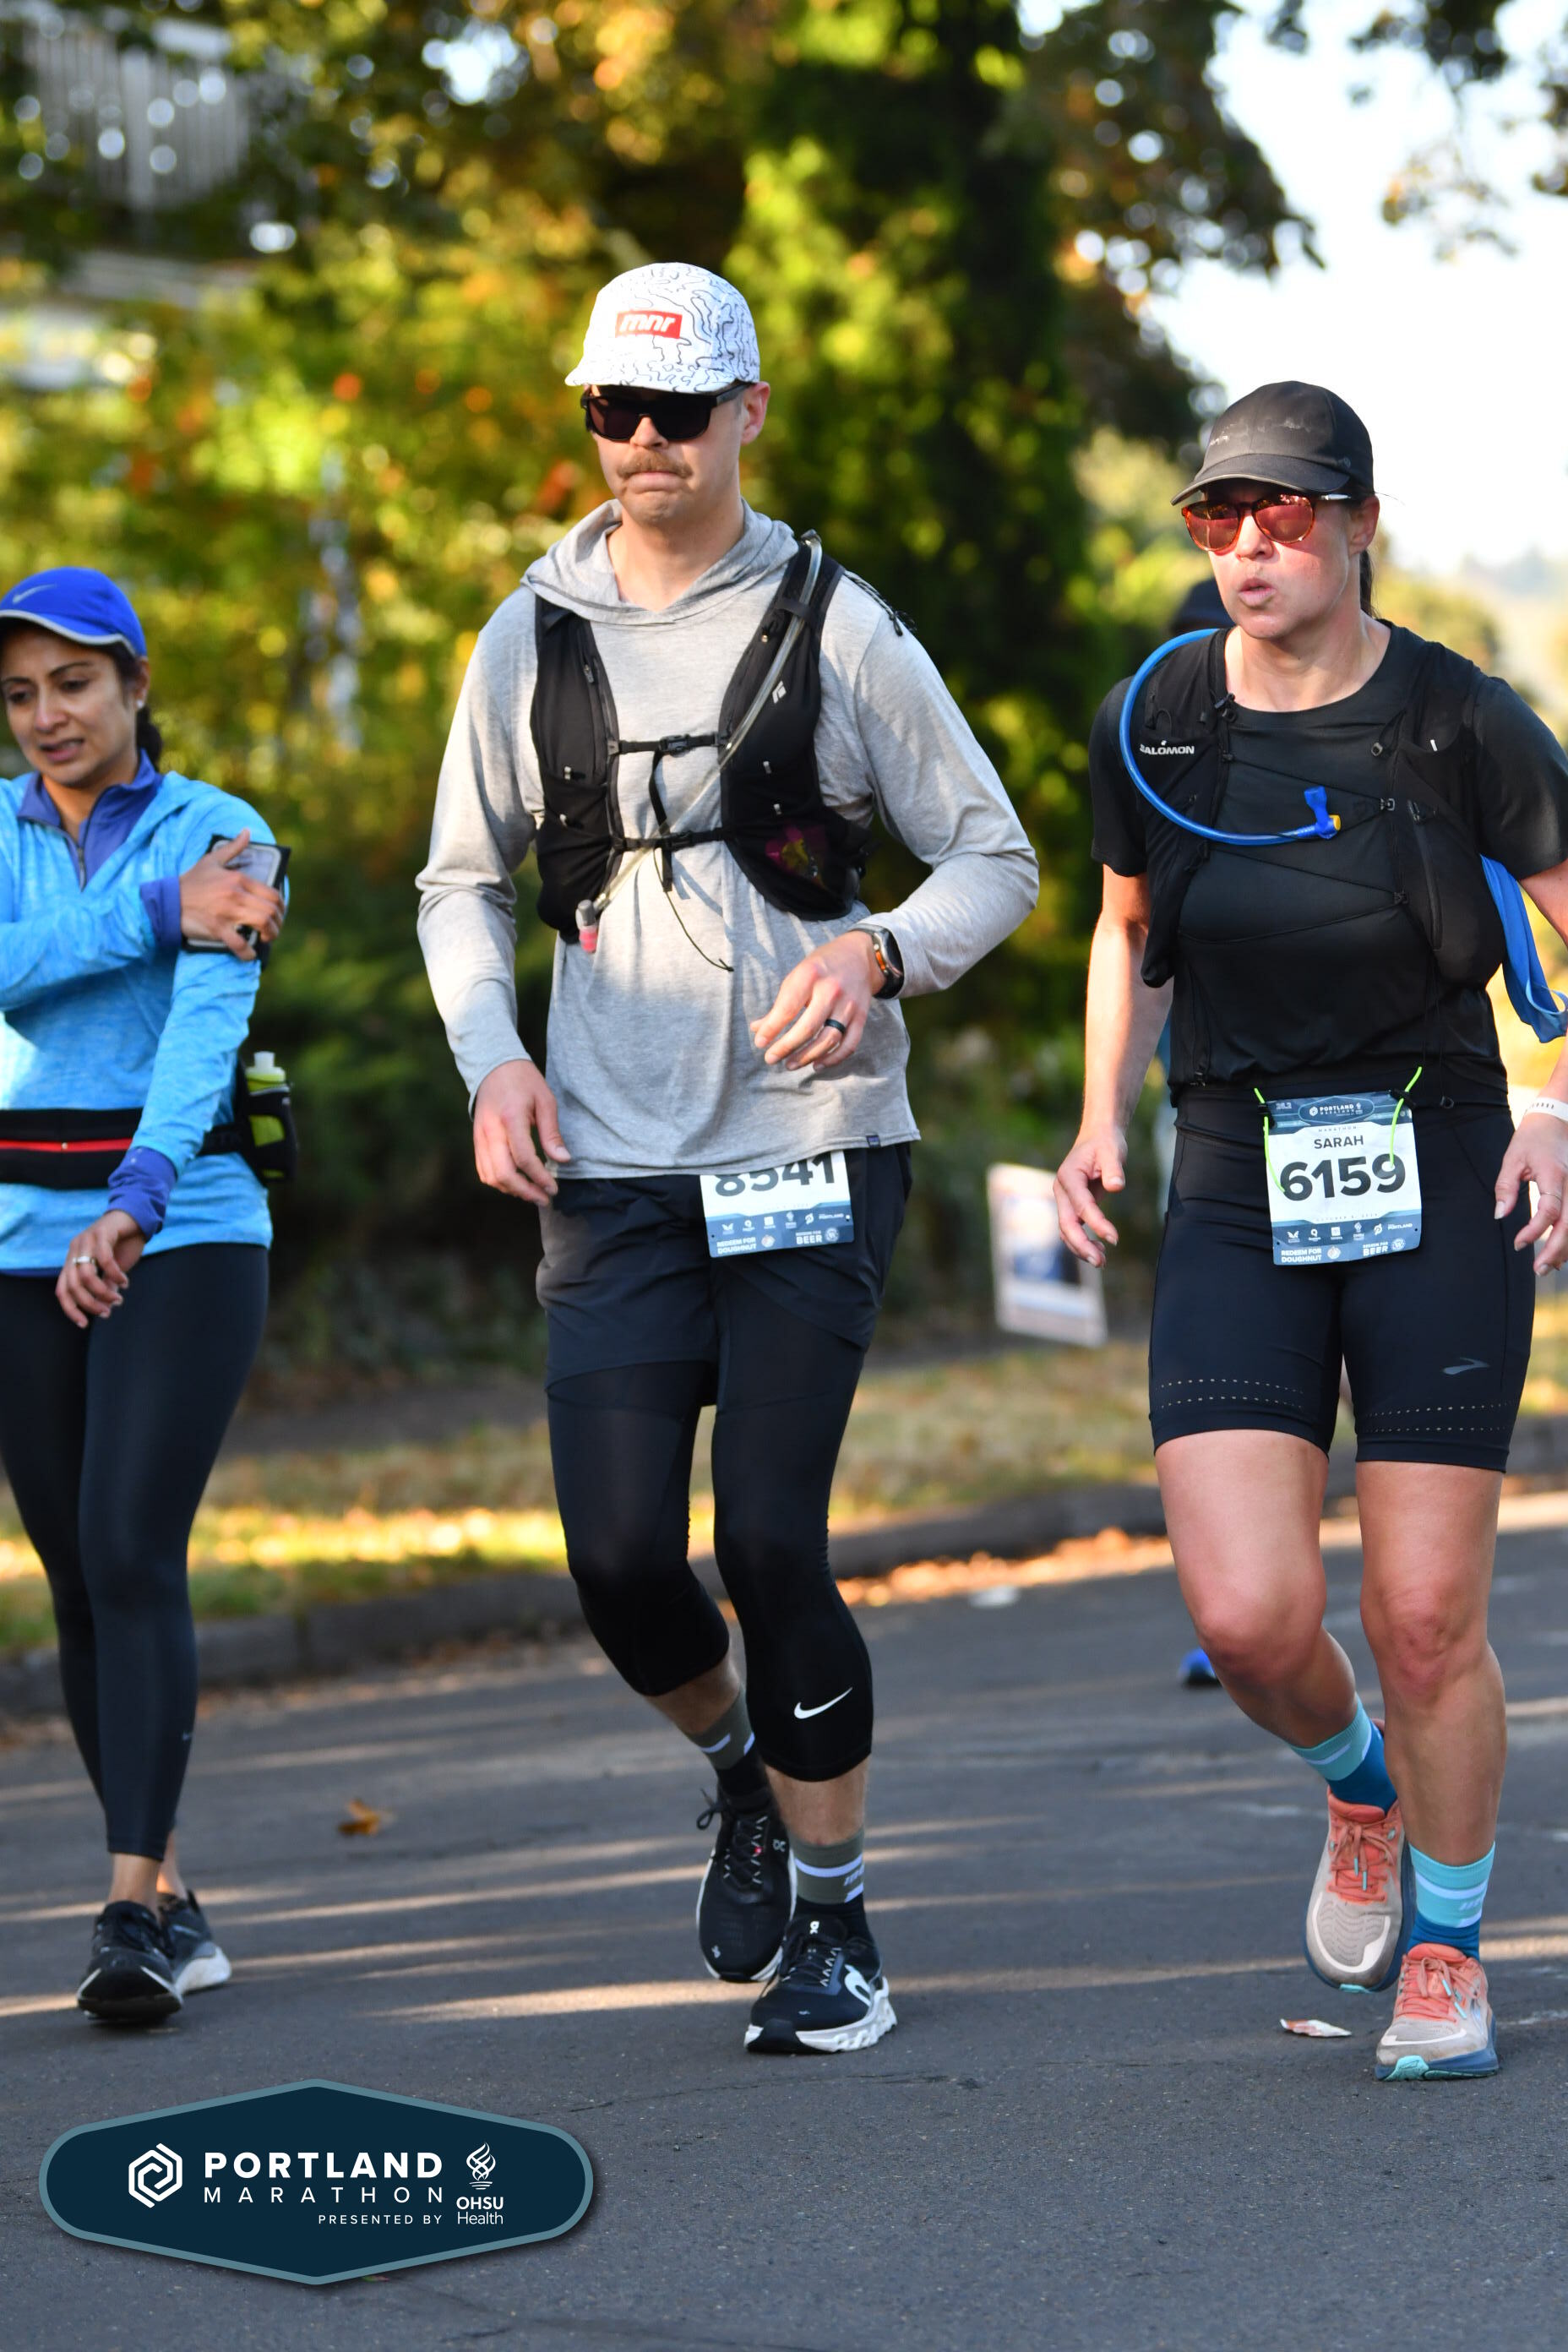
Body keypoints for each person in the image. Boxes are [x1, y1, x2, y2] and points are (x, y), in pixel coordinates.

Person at [419, 262, 1037, 2055]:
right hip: (612, 1168)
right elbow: (460, 881)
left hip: (810, 1152)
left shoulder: (840, 627)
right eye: (611, 410)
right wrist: (492, 1059)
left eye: (676, 411)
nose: (642, 442)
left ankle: (839, 1928)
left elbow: (992, 857)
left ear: (746, 412)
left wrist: (878, 954)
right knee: (622, 1562)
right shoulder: (526, 637)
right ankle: (745, 1774)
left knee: (768, 1538)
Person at [1054, 381, 1568, 2081]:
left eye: (1284, 513)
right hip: (1231, 1170)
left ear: (1359, 526)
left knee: (1423, 1615)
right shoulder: (1156, 718)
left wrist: (1555, 1114)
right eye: (1219, 515)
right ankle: (1360, 1790)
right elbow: (1126, 928)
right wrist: (1095, 1119)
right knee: (1250, 1618)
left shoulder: (1461, 720)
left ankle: (1448, 1947)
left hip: (1438, 1166)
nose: (1249, 544)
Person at [0, 567, 286, 2026]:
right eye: (20, 694)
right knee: (72, 1569)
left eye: (73, 683)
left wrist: (137, 1197)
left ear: (134, 683)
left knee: (127, 1542)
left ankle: (126, 1914)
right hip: (14, 1237)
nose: (47, 716)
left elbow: (201, 1035)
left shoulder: (229, 832)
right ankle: (170, 1894)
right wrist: (154, 914)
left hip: (186, 1224)